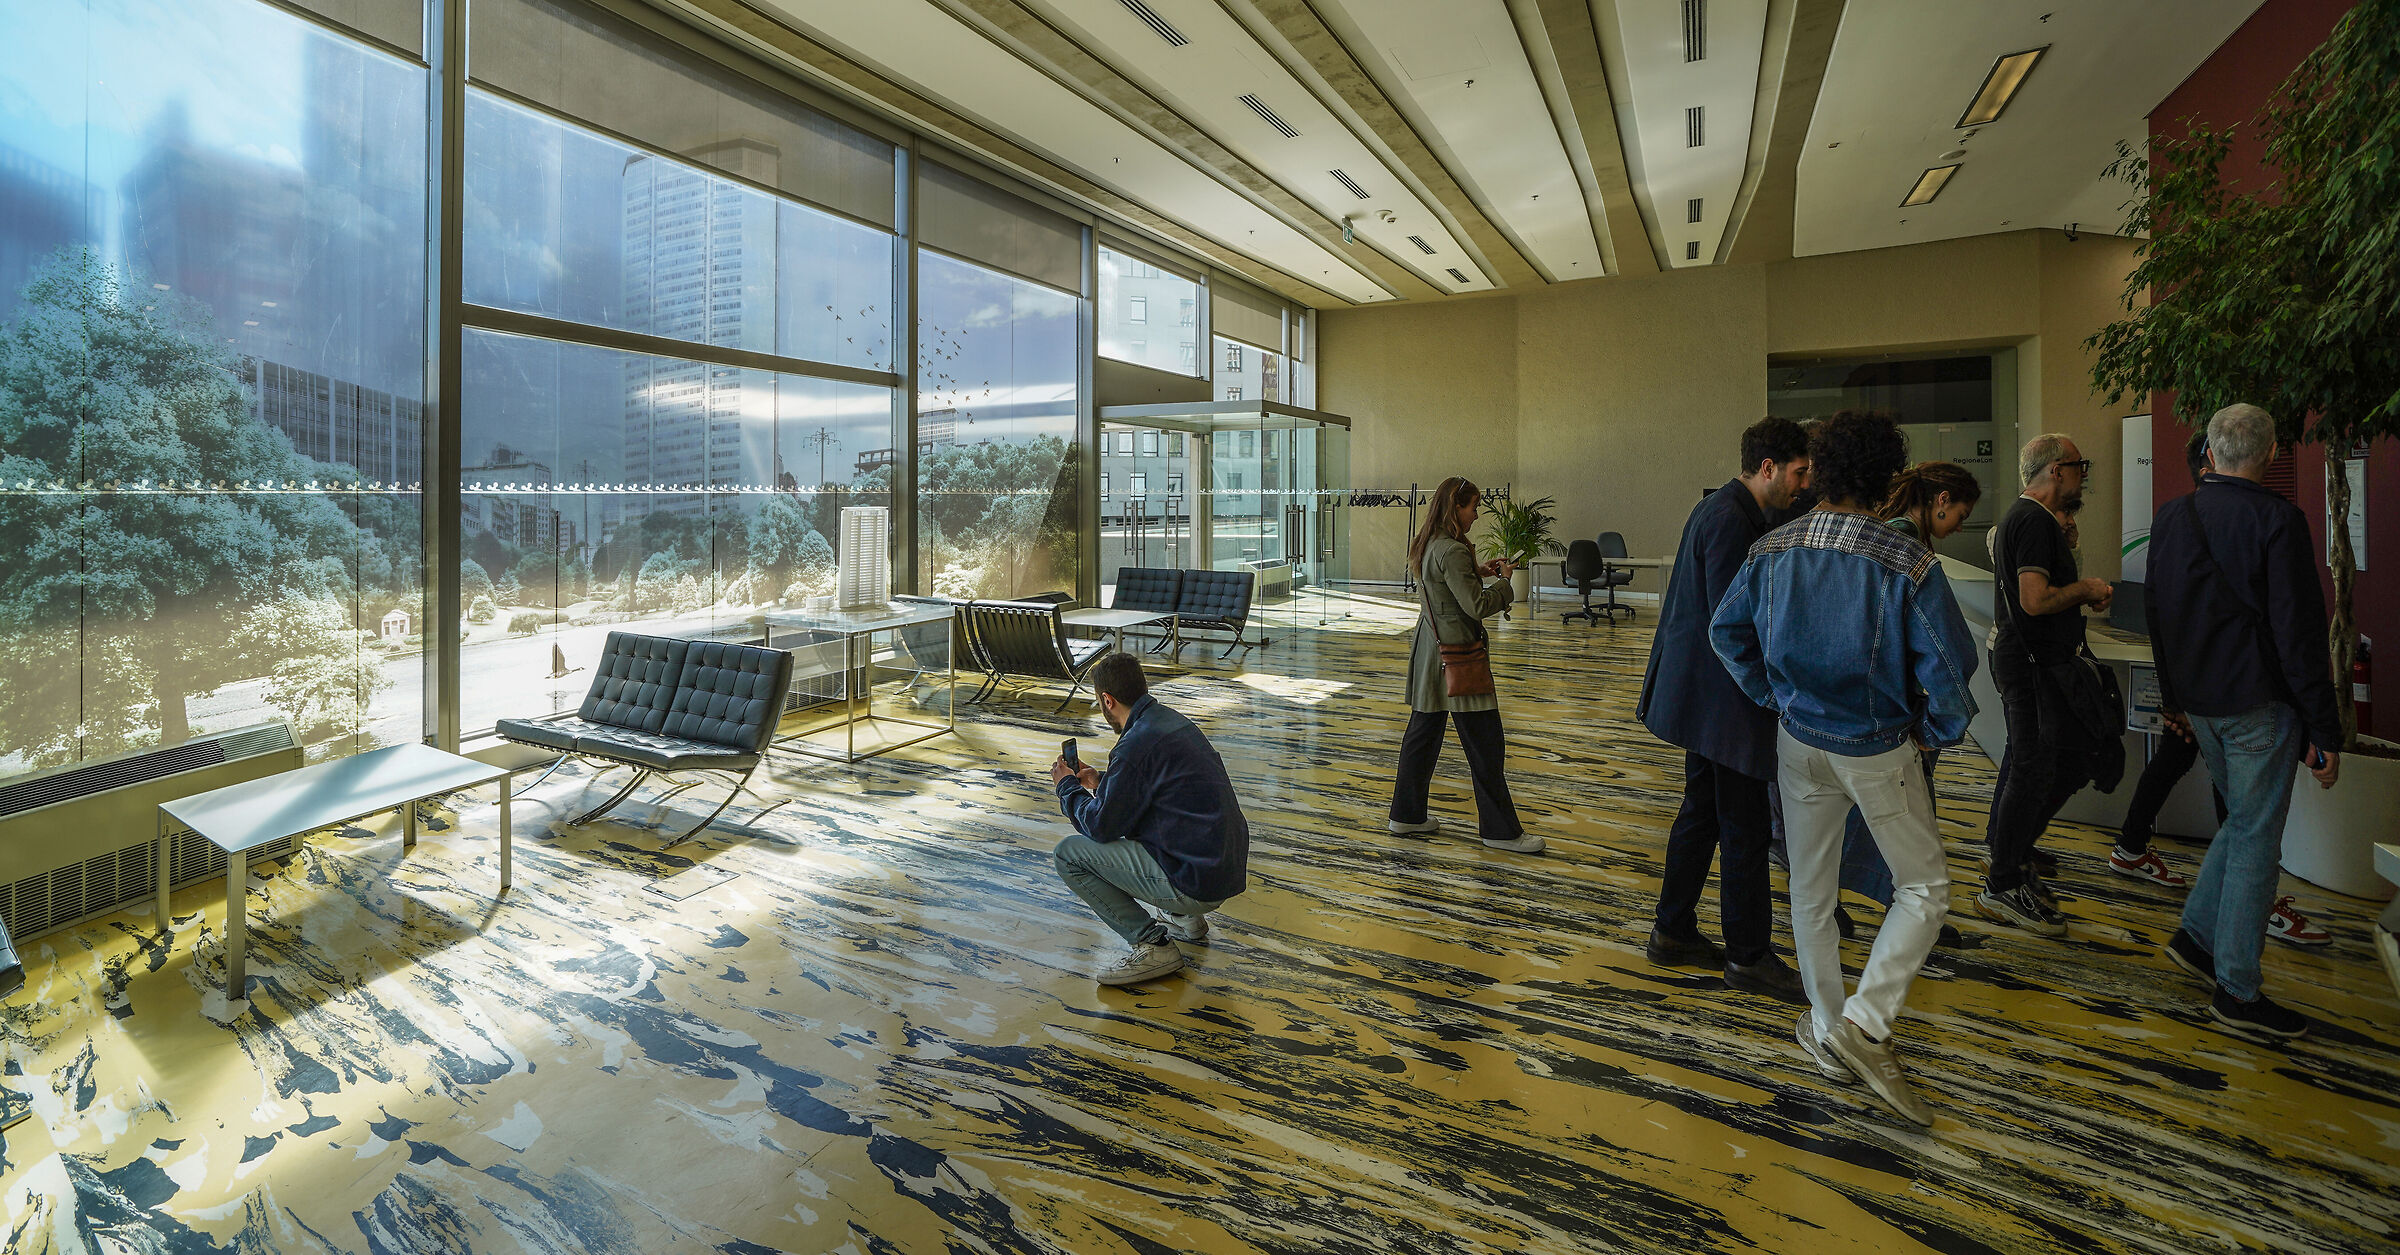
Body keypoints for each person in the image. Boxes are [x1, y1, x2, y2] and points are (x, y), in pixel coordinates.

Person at [1711, 412, 1980, 1126]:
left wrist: (1771, 693)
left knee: (1810, 888)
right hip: (1876, 744)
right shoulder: (1906, 562)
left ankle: (1829, 1025)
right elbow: (1952, 668)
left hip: (1797, 740)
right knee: (1923, 887)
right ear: (1888, 478)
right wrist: (1936, 734)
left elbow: (1725, 631)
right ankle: (1864, 1021)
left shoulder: (1772, 548)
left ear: (1821, 470)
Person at [2146, 403, 2343, 1040]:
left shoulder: (2173, 516)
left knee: (2241, 823)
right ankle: (2237, 990)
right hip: (2258, 704)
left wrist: (2171, 698)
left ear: (2209, 452)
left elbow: (2157, 611)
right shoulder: (2278, 519)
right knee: (2256, 836)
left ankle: (2198, 940)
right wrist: (2324, 726)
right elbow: (2300, 632)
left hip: (2199, 703)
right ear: (2271, 454)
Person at [1638, 417, 1812, 1003]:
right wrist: (1775, 690)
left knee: (1704, 813)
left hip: (1704, 701)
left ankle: (1673, 929)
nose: (1803, 484)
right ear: (1768, 468)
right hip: (1725, 705)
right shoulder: (1733, 521)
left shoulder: (1724, 510)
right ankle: (1747, 956)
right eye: (1798, 472)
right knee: (1744, 826)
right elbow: (1732, 624)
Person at [1828, 461, 1982, 948]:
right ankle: (1913, 916)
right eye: (1960, 512)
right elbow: (1939, 645)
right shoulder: (1902, 544)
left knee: (1880, 816)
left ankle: (1894, 909)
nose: (1960, 524)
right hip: (1896, 708)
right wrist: (1938, 722)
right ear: (1939, 500)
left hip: (1876, 704)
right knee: (1900, 819)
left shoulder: (1888, 536)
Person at [1977, 433, 2116, 936]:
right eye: (2080, 466)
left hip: (2032, 661)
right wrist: (2087, 588)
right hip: (2032, 665)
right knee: (2035, 767)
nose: (2085, 475)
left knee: (2048, 762)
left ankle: (2010, 861)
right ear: (2056, 470)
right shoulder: (2033, 520)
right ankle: (2002, 882)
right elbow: (2035, 601)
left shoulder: (2026, 519)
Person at [1052, 654, 1250, 987]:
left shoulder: (1133, 747)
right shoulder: (1168, 721)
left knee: (1068, 855)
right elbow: (1160, 800)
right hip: (1221, 866)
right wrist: (1102, 784)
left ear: (1107, 700)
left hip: (1196, 880)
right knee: (1142, 825)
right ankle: (1184, 917)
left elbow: (1101, 827)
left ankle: (1153, 945)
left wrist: (1066, 787)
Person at [1388, 476, 1542, 853]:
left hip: (1430, 654)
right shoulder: (1454, 551)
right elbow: (1476, 606)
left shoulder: (1429, 544)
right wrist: (1505, 583)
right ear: (1455, 508)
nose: (1476, 515)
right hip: (1459, 659)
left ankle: (1406, 816)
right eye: (1472, 507)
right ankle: (1500, 831)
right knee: (1486, 745)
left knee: (1421, 738)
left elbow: (1448, 589)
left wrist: (1482, 571)